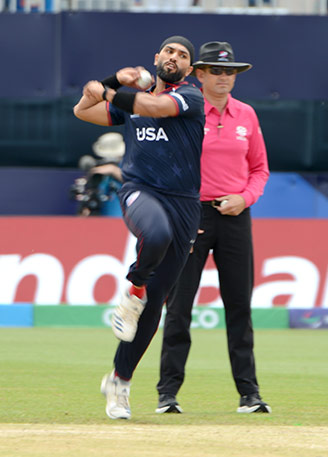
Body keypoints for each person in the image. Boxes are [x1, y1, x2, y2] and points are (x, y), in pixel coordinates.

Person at [73, 36, 204, 420]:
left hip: (184, 206)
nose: (174, 58)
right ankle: (133, 289)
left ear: (189, 69)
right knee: (156, 235)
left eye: (182, 56)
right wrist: (112, 79)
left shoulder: (190, 98)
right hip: (140, 192)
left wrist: (112, 91)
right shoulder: (134, 101)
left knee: (154, 309)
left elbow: (153, 106)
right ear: (156, 57)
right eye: (169, 51)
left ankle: (119, 380)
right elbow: (83, 109)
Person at [155, 41, 271, 415]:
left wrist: (245, 198)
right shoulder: (185, 110)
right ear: (199, 74)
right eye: (217, 71)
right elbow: (168, 164)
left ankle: (249, 395)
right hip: (191, 216)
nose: (224, 78)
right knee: (179, 308)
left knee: (239, 307)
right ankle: (167, 393)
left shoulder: (247, 115)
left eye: (230, 72)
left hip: (235, 217)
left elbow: (260, 169)